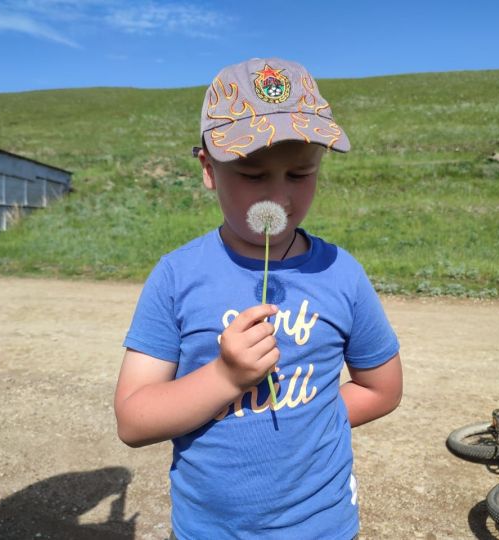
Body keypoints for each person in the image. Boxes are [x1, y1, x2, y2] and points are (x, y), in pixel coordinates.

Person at [114, 57, 403, 540]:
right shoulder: (176, 276)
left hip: (324, 527)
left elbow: (382, 388)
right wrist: (225, 375)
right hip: (211, 530)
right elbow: (133, 420)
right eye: (252, 175)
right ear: (209, 169)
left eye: (299, 173)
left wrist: (311, 422)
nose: (279, 194)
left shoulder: (342, 274)